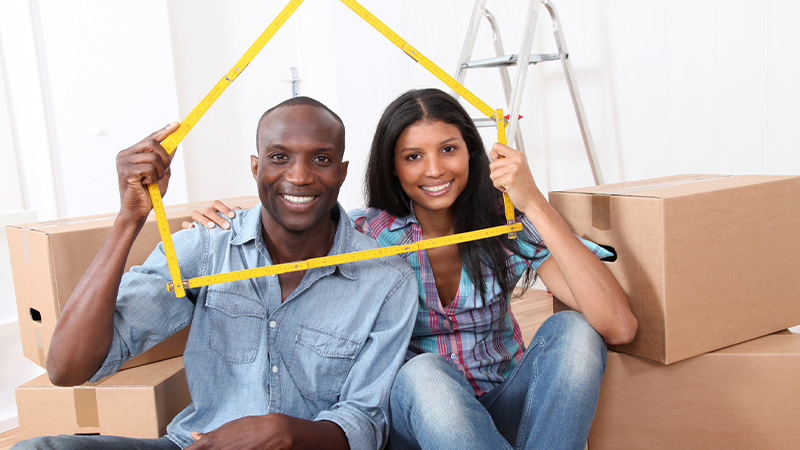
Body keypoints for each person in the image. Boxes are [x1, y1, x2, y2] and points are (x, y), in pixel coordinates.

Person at [186, 88, 638, 450]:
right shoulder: (364, 234)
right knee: (424, 372)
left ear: (473, 154)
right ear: (393, 166)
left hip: (503, 401)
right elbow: (292, 204)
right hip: (417, 417)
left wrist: (533, 201)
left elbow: (617, 327)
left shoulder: (503, 228)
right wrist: (220, 225)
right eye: (413, 156)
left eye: (448, 149)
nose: (435, 169)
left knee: (574, 331)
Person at [14, 97, 418, 450]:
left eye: (321, 159)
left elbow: (366, 421)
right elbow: (67, 368)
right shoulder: (206, 247)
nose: (299, 176)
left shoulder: (386, 277)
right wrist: (129, 219)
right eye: (279, 157)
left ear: (342, 172)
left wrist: (283, 433)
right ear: (255, 167)